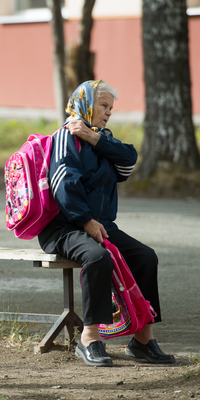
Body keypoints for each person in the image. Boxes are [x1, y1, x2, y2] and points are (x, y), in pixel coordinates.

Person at [39, 80, 175, 367]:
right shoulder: (66, 137)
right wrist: (85, 220)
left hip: (100, 225)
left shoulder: (99, 138)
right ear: (85, 104)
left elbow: (128, 162)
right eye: (103, 105)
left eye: (111, 108)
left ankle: (142, 341)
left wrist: (95, 138)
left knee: (145, 257)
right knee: (98, 257)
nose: (108, 112)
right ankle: (89, 337)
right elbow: (63, 183)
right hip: (64, 226)